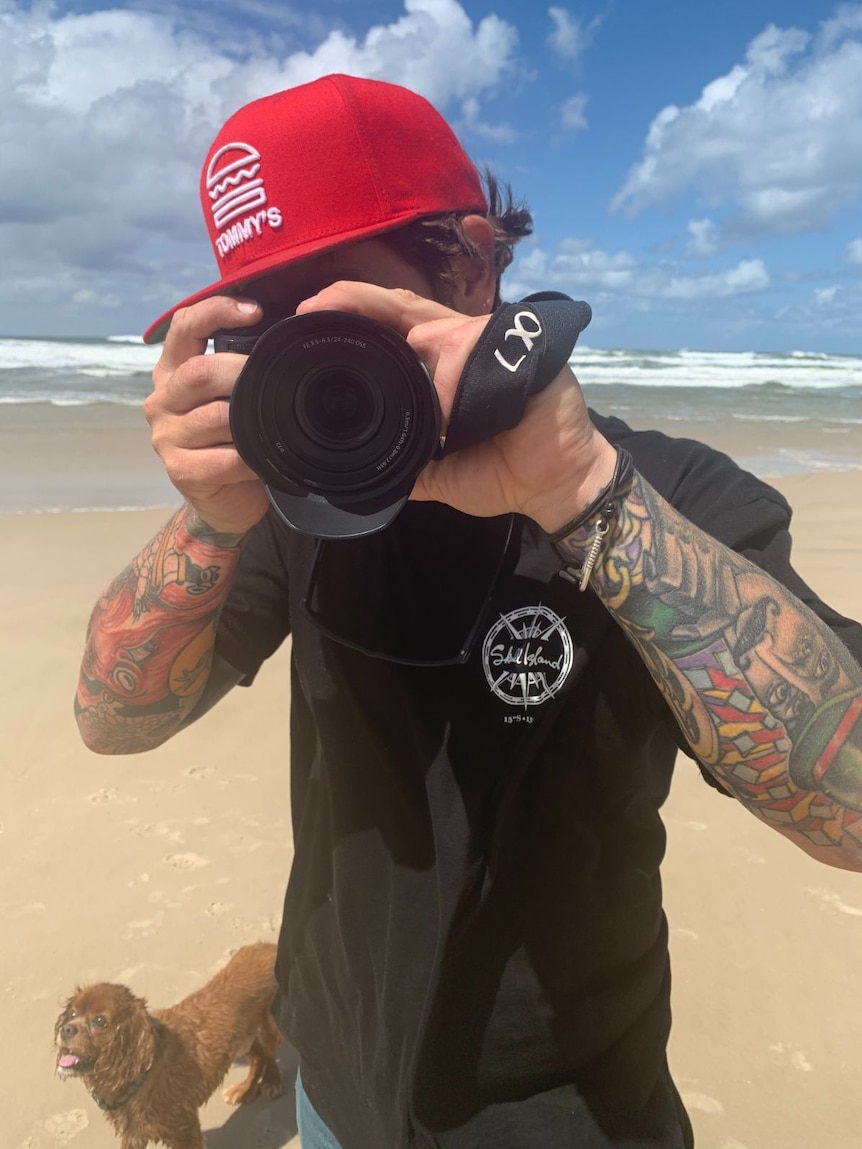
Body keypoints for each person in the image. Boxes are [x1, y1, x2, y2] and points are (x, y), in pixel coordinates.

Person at [75, 74, 862, 1149]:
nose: (306, 361)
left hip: (566, 1115)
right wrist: (209, 523)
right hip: (332, 1080)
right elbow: (114, 722)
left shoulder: (664, 495)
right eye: (263, 327)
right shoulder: (290, 510)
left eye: (337, 308)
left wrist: (581, 493)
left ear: (472, 264)